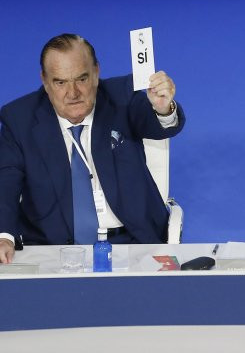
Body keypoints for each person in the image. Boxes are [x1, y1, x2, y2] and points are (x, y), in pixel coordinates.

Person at [0, 34, 186, 263]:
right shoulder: (19, 119)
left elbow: (158, 124)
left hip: (133, 244)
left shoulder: (122, 98)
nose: (73, 93)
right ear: (45, 81)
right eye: (60, 82)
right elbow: (5, 183)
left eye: (82, 79)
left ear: (96, 73)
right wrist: (3, 236)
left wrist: (162, 108)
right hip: (51, 252)